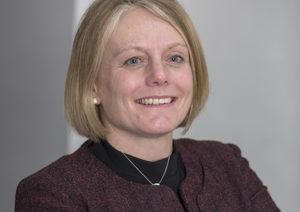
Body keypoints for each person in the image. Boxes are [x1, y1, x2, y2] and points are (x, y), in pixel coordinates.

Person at [15, 0, 280, 211]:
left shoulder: (227, 163)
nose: (159, 76)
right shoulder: (53, 193)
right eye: (134, 60)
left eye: (174, 58)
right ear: (93, 85)